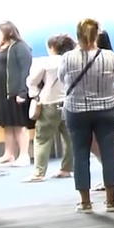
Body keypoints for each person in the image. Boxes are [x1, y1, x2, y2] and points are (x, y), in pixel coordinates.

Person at [60, 19, 114, 214]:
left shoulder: (68, 58)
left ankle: (85, 202)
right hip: (105, 109)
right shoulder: (110, 57)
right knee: (108, 153)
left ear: (77, 35)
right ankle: (111, 200)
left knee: (80, 153)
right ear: (97, 35)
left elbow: (63, 79)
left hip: (77, 111)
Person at [24, 34, 75, 182]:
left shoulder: (45, 62)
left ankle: (39, 172)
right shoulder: (73, 60)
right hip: (70, 102)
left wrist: (34, 95)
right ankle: (67, 169)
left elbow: (32, 81)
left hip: (49, 103)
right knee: (70, 138)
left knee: (42, 138)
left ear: (52, 47)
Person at [0, 21, 34, 167]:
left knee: (19, 123)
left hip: (14, 92)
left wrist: (23, 91)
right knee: (7, 124)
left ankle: (24, 155)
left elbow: (25, 69)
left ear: (8, 31)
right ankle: (8, 154)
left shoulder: (19, 47)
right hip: (0, 92)